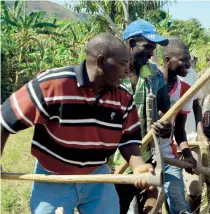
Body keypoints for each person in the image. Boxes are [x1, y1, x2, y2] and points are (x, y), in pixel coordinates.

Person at [0, 33, 154, 214]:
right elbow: (5, 120)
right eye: (122, 64)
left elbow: (128, 140)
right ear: (101, 61)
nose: (127, 70)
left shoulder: (123, 97)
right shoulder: (53, 84)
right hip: (53, 178)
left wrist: (138, 166)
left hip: (98, 177)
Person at [109, 19, 193, 214]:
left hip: (145, 156)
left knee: (149, 202)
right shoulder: (110, 75)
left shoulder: (153, 73)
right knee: (118, 206)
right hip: (115, 159)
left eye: (153, 49)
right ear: (130, 44)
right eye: (146, 47)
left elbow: (165, 109)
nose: (150, 53)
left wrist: (166, 125)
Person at [161, 36, 198, 213]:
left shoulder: (185, 91)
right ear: (168, 60)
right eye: (183, 59)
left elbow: (180, 131)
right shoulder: (149, 84)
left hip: (169, 155)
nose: (188, 63)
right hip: (142, 153)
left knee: (179, 204)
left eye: (188, 58)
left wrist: (187, 154)